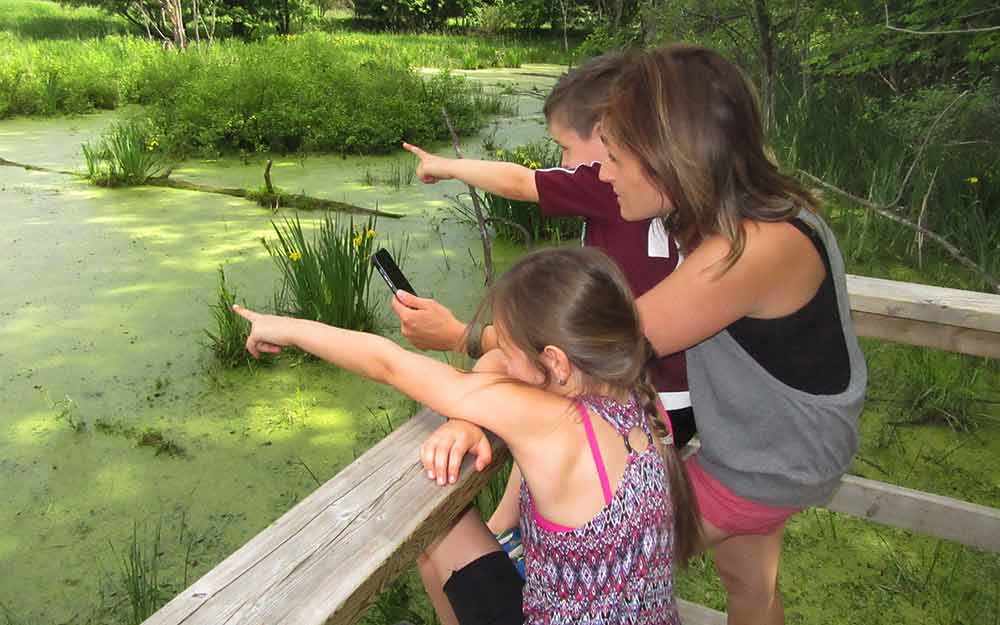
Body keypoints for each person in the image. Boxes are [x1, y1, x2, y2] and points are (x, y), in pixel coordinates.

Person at [424, 45, 869, 625]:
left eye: (612, 157)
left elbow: (588, 350)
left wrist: (468, 353)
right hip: (778, 453)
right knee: (750, 585)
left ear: (665, 156)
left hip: (763, 468)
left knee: (572, 559)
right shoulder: (762, 214)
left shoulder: (746, 251)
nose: (602, 175)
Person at [234, 246, 702, 625]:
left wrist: (287, 326)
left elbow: (389, 363)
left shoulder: (554, 423)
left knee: (437, 531)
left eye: (510, 343)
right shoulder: (639, 394)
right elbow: (499, 365)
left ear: (555, 362)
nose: (497, 349)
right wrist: (467, 417)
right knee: (448, 530)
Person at [397, 50, 696, 452]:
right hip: (682, 402)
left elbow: (520, 182)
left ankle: (466, 432)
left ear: (607, 134)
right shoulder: (674, 191)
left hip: (637, 398)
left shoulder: (604, 187)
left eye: (566, 148)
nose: (562, 163)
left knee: (498, 367)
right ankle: (504, 511)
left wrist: (447, 167)